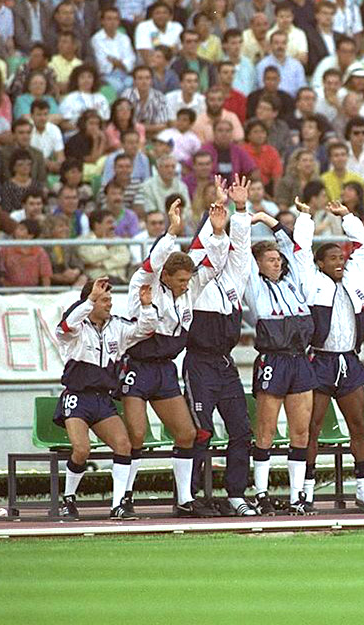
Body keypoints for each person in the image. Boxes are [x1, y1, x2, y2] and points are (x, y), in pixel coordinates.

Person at [120, 199, 230, 518]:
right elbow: (153, 262)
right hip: (138, 366)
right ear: (165, 276)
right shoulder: (145, 284)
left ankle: (183, 499)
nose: (186, 285)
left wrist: (219, 233)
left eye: (187, 280)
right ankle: (124, 497)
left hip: (166, 368)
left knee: (186, 434)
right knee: (137, 434)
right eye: (180, 280)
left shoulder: (189, 290)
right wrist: (171, 232)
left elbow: (215, 265)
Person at [181, 176, 257, 516]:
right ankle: (189, 495)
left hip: (224, 364)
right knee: (201, 431)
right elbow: (201, 250)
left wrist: (241, 209)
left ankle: (236, 494)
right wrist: (215, 221)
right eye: (218, 240)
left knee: (241, 429)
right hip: (198, 363)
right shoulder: (194, 281)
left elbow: (241, 247)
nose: (224, 246)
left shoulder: (234, 279)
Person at [54, 277, 157, 521]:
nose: (109, 304)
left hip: (102, 399)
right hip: (77, 396)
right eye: (103, 300)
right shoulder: (77, 328)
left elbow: (145, 330)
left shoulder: (117, 327)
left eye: (110, 299)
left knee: (124, 446)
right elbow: (65, 326)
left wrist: (146, 306)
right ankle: (68, 499)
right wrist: (89, 300)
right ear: (89, 302)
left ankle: (118, 504)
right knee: (81, 449)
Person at [239, 196, 317, 516]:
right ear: (257, 263)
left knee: (301, 431)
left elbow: (290, 246)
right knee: (266, 429)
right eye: (270, 259)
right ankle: (261, 492)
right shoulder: (253, 285)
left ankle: (298, 495)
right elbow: (240, 253)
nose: (277, 262)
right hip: (272, 358)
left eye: (277, 259)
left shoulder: (293, 281)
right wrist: (247, 218)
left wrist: (268, 219)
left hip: (299, 357)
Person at [302, 200, 364, 512]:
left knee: (358, 425)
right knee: (313, 427)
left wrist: (348, 216)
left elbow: (363, 244)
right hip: (320, 360)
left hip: (348, 360)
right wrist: (305, 218)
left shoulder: (353, 278)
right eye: (332, 258)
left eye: (341, 257)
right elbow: (300, 249)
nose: (340, 261)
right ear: (319, 263)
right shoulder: (312, 280)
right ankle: (305, 492)